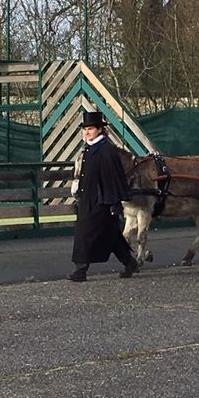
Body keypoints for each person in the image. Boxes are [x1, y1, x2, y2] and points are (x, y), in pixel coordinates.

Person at [67, 111, 139, 282]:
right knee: (111, 234)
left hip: (101, 201)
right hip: (89, 199)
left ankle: (81, 269)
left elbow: (112, 178)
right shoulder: (91, 148)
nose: (87, 132)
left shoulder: (106, 151)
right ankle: (130, 262)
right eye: (85, 129)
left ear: (99, 130)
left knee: (85, 233)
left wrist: (114, 203)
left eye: (90, 129)